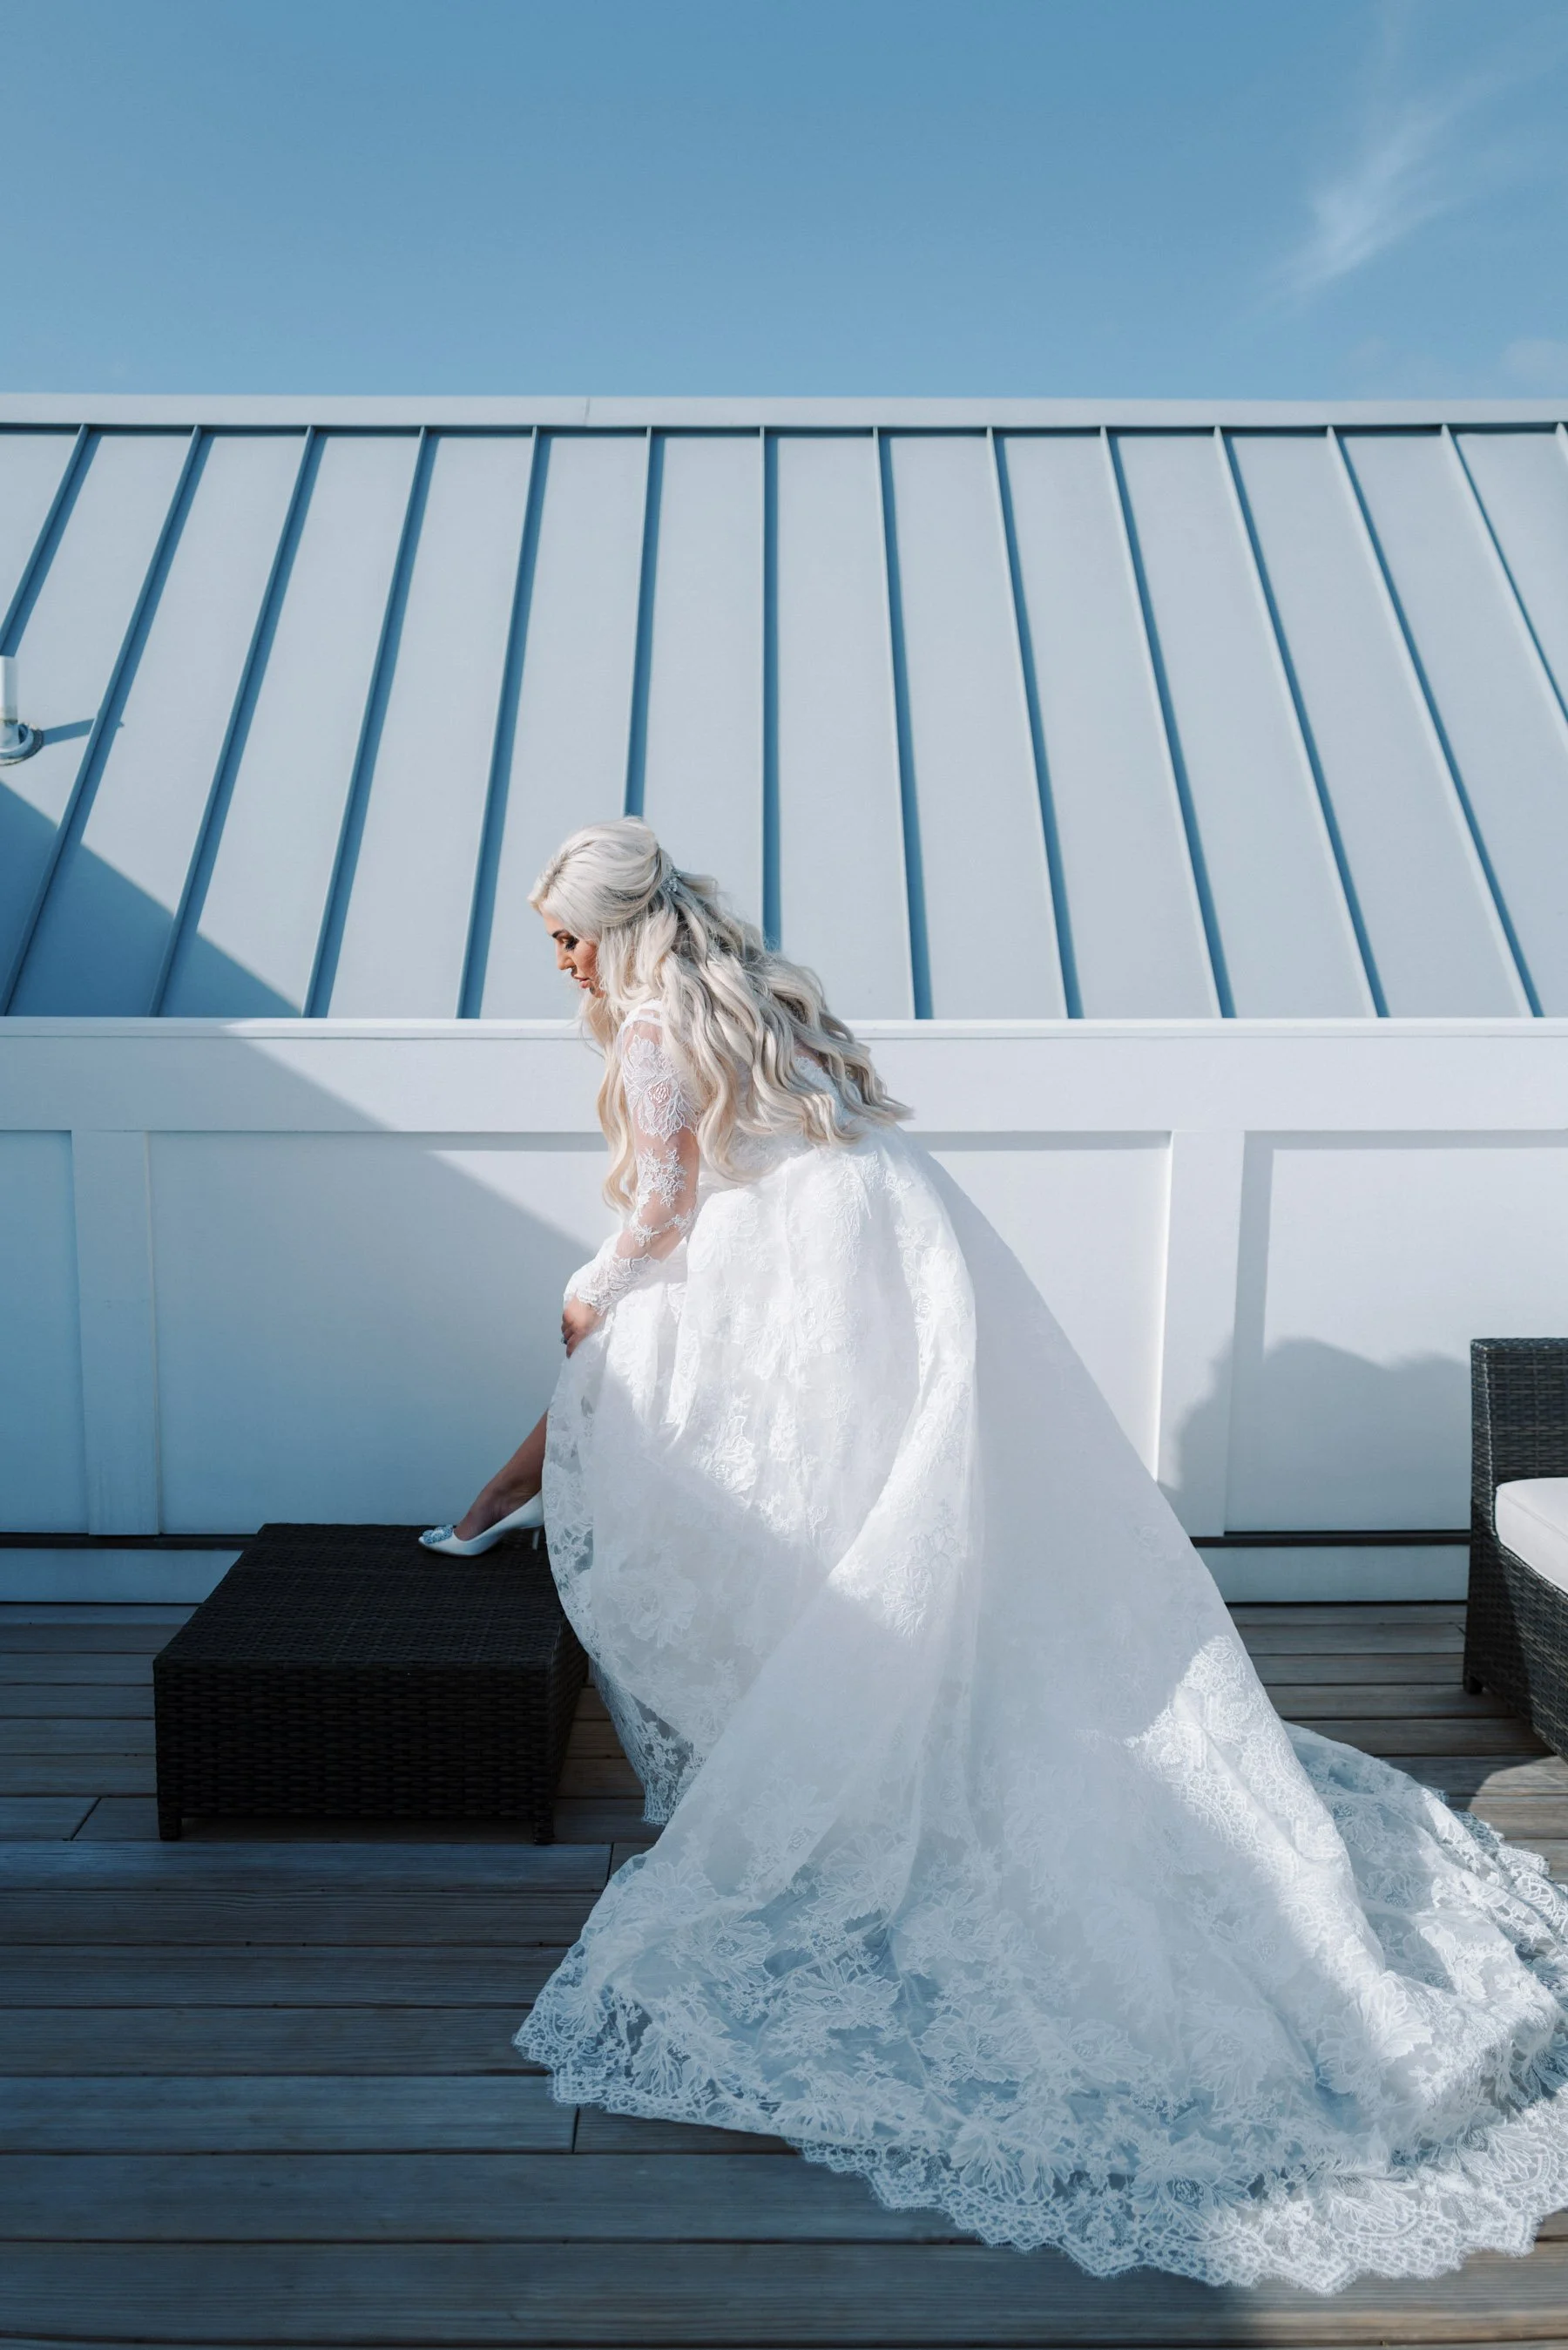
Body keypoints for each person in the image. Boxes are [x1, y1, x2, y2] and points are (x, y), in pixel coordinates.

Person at [427, 817, 1568, 2292]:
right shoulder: (745, 988)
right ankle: (531, 1531)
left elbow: (657, 1207)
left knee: (674, 1406)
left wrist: (590, 1292)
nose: (561, 963)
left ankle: (557, 1554)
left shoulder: (652, 1024)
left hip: (805, 1263)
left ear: (616, 934)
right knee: (880, 1501)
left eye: (565, 939)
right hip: (885, 1240)